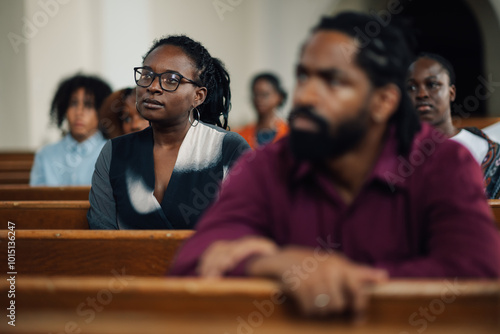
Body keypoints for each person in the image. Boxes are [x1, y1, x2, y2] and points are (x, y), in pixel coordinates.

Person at [170, 12, 500, 316]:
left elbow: (478, 272)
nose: (305, 97)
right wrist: (272, 263)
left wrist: (338, 278)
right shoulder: (270, 165)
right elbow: (191, 262)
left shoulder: (442, 164)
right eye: (303, 76)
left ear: (383, 102)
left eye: (333, 81)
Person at [87, 35, 250, 230]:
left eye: (171, 80)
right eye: (146, 75)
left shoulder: (227, 148)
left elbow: (245, 229)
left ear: (198, 96)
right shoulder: (115, 151)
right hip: (126, 260)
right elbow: (101, 233)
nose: (153, 87)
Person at [407, 53, 500, 198]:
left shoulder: (486, 150)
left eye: (432, 85)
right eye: (411, 87)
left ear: (451, 93)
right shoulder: (394, 151)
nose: (421, 94)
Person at [30, 74, 112, 186]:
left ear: (102, 110)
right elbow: (35, 200)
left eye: (88, 105)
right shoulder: (45, 156)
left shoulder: (112, 154)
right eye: (73, 104)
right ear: (64, 109)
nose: (79, 112)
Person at [237, 73, 289, 148]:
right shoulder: (242, 135)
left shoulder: (288, 133)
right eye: (256, 94)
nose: (259, 99)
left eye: (265, 94)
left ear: (279, 97)